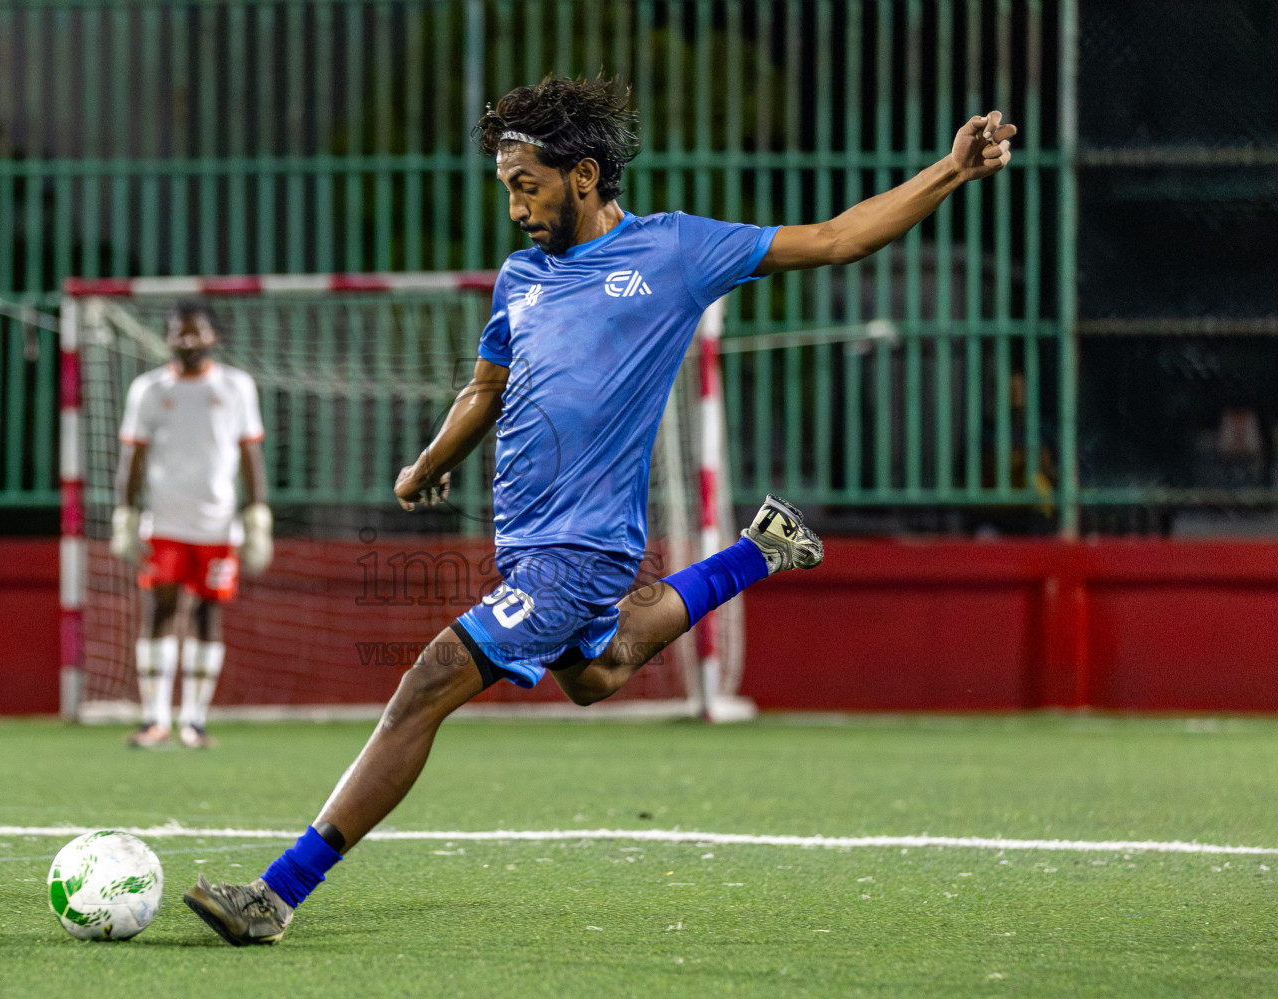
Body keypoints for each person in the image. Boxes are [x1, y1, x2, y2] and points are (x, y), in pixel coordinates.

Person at [184, 75, 1016, 945]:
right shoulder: (520, 278)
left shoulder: (675, 252)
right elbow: (485, 387)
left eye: (526, 185)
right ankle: (757, 554)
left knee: (427, 682)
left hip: (579, 551)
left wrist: (950, 171)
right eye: (506, 187)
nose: (514, 206)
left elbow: (839, 239)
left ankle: (276, 894)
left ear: (582, 176)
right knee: (597, 672)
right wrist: (428, 464)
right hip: (527, 543)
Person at [111, 300, 273, 749]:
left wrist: (257, 515)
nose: (187, 340)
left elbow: (250, 454)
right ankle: (154, 719)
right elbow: (134, 456)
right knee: (159, 611)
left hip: (218, 523)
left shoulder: (237, 387)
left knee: (207, 614)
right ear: (167, 339)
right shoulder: (148, 389)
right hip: (163, 520)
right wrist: (125, 515)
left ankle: (194, 722)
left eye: (195, 332)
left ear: (213, 337)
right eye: (179, 332)